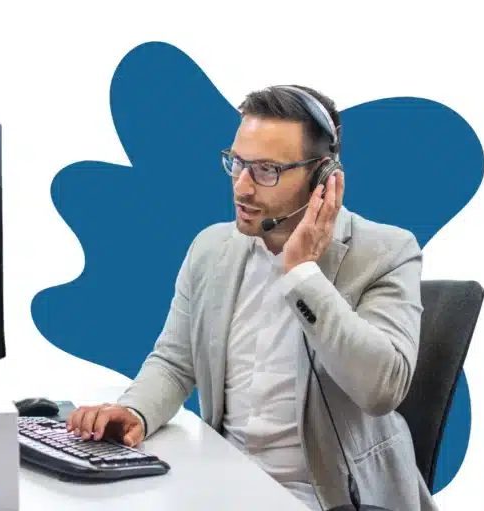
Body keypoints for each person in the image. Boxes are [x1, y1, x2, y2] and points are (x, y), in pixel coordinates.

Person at [66, 85, 438, 511]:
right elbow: (174, 362)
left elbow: (382, 388)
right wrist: (134, 412)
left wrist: (303, 274)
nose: (242, 188)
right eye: (237, 163)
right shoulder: (211, 250)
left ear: (323, 178)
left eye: (266, 170)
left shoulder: (386, 252)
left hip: (327, 496)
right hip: (222, 479)